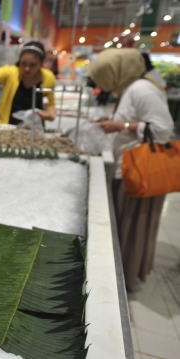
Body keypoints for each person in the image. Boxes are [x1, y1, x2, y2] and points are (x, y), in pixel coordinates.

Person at [87, 48, 174, 289]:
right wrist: (108, 122)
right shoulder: (130, 88)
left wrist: (120, 126)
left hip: (138, 171)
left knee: (132, 224)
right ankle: (121, 275)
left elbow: (163, 129)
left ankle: (122, 279)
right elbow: (132, 118)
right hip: (127, 168)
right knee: (126, 226)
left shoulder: (141, 89)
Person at [0, 41, 56, 125]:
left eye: (32, 65)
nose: (27, 68)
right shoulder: (11, 72)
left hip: (34, 129)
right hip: (8, 126)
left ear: (41, 63)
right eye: (23, 63)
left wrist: (50, 114)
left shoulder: (48, 77)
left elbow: (51, 103)